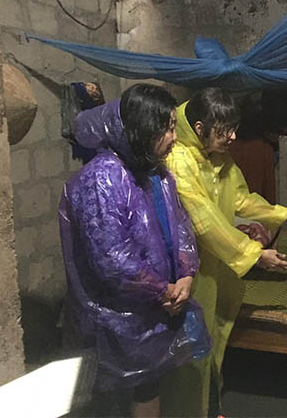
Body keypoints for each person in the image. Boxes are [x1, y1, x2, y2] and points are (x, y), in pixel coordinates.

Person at [162, 87, 287, 417]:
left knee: (212, 344)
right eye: (224, 130)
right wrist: (254, 253)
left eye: (234, 128)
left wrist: (282, 213)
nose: (232, 137)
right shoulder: (179, 160)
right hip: (188, 270)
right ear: (199, 128)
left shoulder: (216, 156)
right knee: (190, 351)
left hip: (214, 267)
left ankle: (210, 408)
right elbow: (204, 219)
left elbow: (240, 198)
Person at [58, 84, 201, 417]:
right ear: (142, 128)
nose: (174, 138)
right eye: (167, 128)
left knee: (147, 385)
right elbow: (111, 259)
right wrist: (162, 290)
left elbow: (181, 227)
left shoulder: (156, 173)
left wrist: (187, 273)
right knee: (115, 396)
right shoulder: (103, 178)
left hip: (155, 306)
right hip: (117, 316)